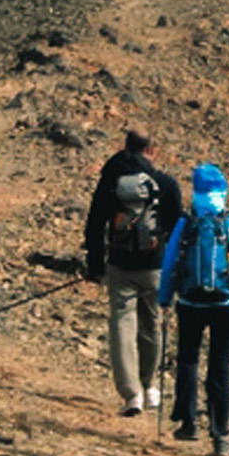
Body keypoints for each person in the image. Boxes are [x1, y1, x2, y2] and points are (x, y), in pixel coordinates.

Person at [157, 161, 229, 456]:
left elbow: (168, 266)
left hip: (190, 303)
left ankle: (189, 423)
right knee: (220, 366)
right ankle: (220, 434)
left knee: (188, 360)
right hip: (226, 305)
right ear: (222, 192)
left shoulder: (185, 225)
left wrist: (164, 298)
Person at [83, 129, 184, 418]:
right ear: (152, 150)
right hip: (155, 266)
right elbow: (177, 227)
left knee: (122, 325)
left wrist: (95, 264)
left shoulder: (111, 181)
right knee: (152, 323)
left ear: (125, 147)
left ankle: (131, 395)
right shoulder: (165, 184)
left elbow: (94, 224)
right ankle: (151, 386)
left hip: (119, 265)